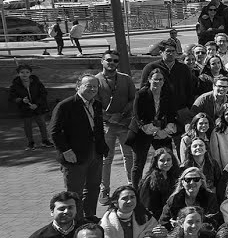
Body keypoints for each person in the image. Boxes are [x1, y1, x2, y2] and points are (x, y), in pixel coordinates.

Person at [51, 74, 109, 219]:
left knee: (93, 187)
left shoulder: (96, 104)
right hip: (74, 155)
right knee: (75, 192)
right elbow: (54, 131)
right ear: (78, 86)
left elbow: (98, 128)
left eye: (95, 86)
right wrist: (66, 151)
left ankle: (89, 216)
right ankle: (76, 220)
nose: (92, 89)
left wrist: (103, 147)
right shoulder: (65, 105)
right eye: (88, 86)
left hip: (95, 153)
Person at [95, 50, 137, 204]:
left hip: (125, 124)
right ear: (102, 61)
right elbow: (93, 103)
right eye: (109, 60)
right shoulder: (96, 80)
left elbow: (134, 98)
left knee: (129, 155)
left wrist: (123, 114)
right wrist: (109, 117)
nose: (111, 63)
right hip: (106, 126)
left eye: (115, 61)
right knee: (107, 158)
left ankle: (132, 185)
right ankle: (104, 189)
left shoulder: (125, 79)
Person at [9, 62, 53, 150]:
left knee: (42, 124)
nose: (24, 74)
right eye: (22, 72)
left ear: (30, 73)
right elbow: (12, 98)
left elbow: (43, 93)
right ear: (18, 74)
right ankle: (31, 142)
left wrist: (37, 104)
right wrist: (21, 100)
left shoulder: (37, 82)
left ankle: (45, 140)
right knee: (27, 125)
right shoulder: (15, 85)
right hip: (25, 108)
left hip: (38, 107)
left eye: (27, 72)